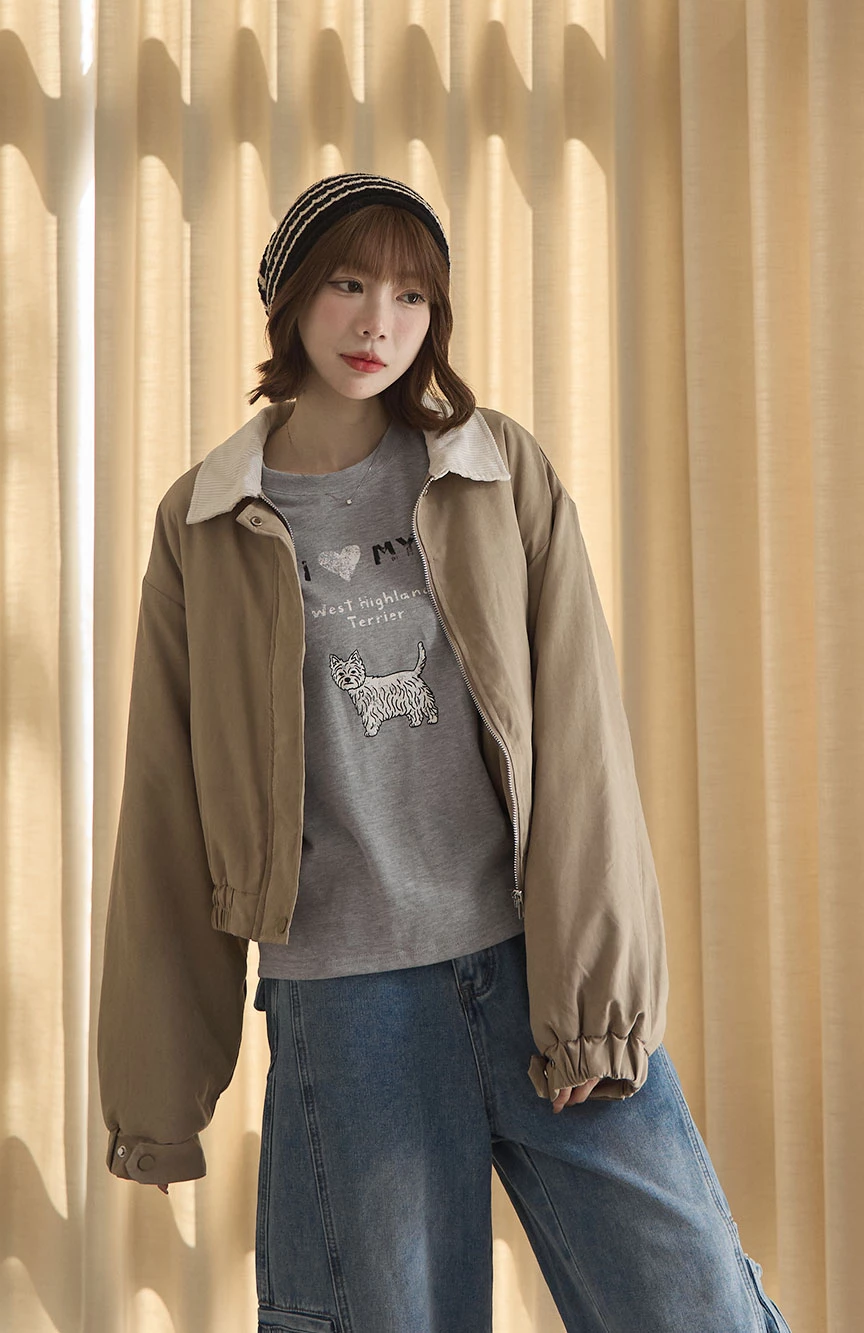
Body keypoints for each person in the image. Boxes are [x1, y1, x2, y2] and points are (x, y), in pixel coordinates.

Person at [96, 172, 792, 1332]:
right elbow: (167, 807)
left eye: (411, 296)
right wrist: (155, 1095)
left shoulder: (492, 470)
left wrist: (593, 999)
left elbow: (581, 741)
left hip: (534, 971)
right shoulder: (205, 520)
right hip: (348, 1005)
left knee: (697, 1305)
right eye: (348, 284)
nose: (379, 322)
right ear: (288, 301)